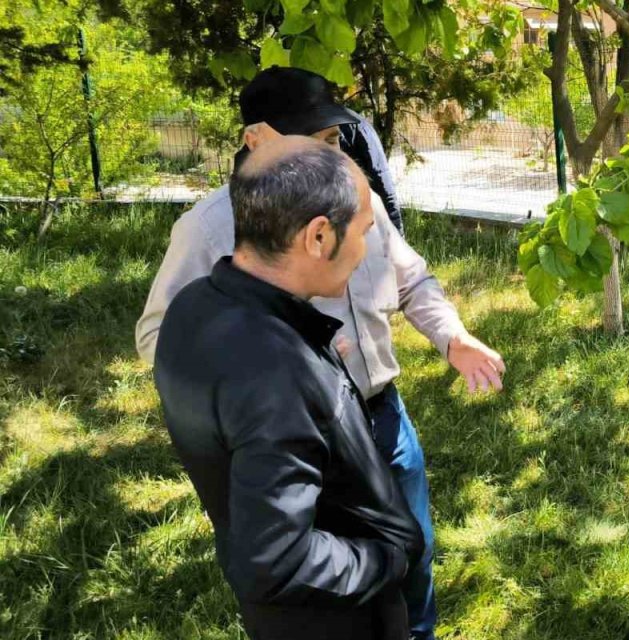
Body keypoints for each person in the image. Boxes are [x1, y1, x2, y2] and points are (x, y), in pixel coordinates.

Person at [137, 67, 505, 640]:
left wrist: (452, 336)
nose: (334, 158)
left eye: (335, 141)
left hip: (381, 415)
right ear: (257, 140)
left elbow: (412, 280)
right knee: (346, 585)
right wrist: (274, 376)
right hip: (306, 441)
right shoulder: (208, 229)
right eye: (316, 142)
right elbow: (167, 336)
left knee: (415, 551)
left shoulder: (353, 197)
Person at [154, 136, 423, 639]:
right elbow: (278, 561)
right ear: (319, 237)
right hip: (337, 621)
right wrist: (387, 560)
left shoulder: (196, 307)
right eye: (363, 231)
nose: (365, 249)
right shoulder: (274, 376)